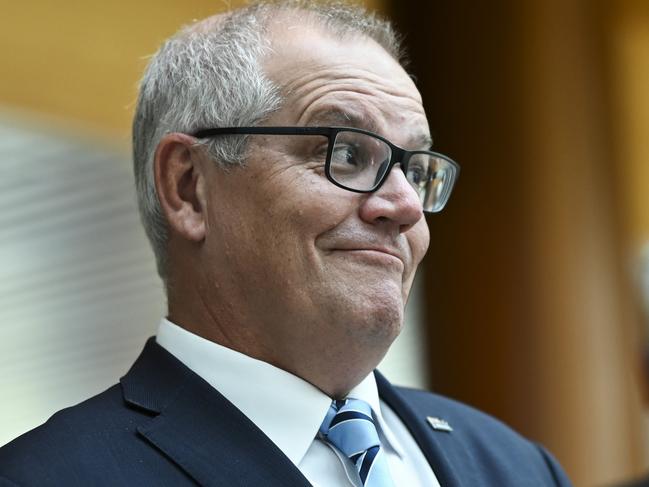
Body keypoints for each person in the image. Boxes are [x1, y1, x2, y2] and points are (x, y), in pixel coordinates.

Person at [0, 1, 572, 485]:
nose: (403, 207)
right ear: (188, 188)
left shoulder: (516, 466)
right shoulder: (48, 474)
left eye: (415, 170)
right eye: (347, 154)